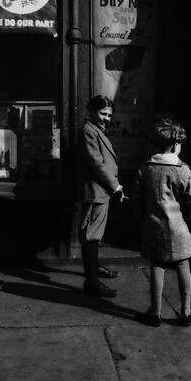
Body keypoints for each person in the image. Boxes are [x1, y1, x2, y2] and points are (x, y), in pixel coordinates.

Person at [131, 114, 191, 326]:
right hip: (179, 228)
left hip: (154, 227)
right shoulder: (183, 170)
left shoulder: (145, 169)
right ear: (175, 145)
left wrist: (140, 221)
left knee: (157, 266)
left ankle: (155, 313)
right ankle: (186, 311)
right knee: (183, 266)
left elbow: (136, 200)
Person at [76, 95, 126, 297]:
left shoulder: (95, 129)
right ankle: (92, 283)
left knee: (94, 232)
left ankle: (95, 268)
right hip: (96, 189)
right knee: (91, 235)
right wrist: (115, 186)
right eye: (103, 113)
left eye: (109, 115)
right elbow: (96, 163)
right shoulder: (89, 130)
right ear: (91, 110)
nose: (106, 118)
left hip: (101, 189)